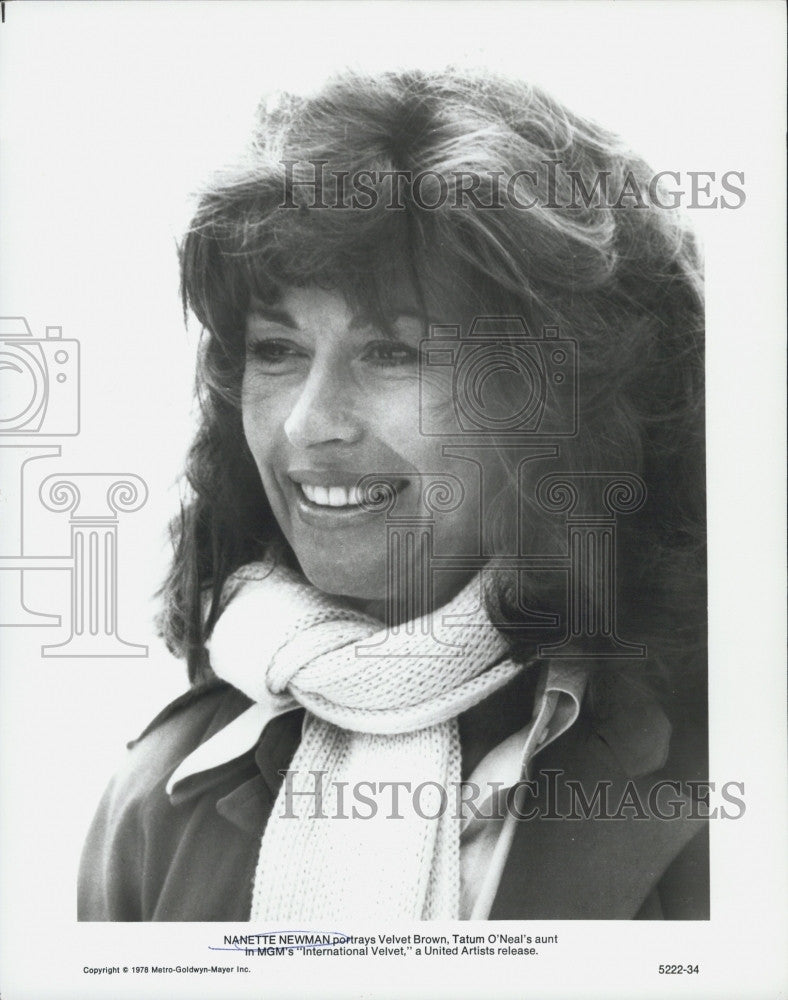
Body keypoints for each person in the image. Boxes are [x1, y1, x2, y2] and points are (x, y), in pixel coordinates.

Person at [78, 68, 709, 921]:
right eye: (276, 350)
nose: (308, 424)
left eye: (393, 353)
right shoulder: (157, 798)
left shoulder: (726, 765)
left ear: (562, 405)